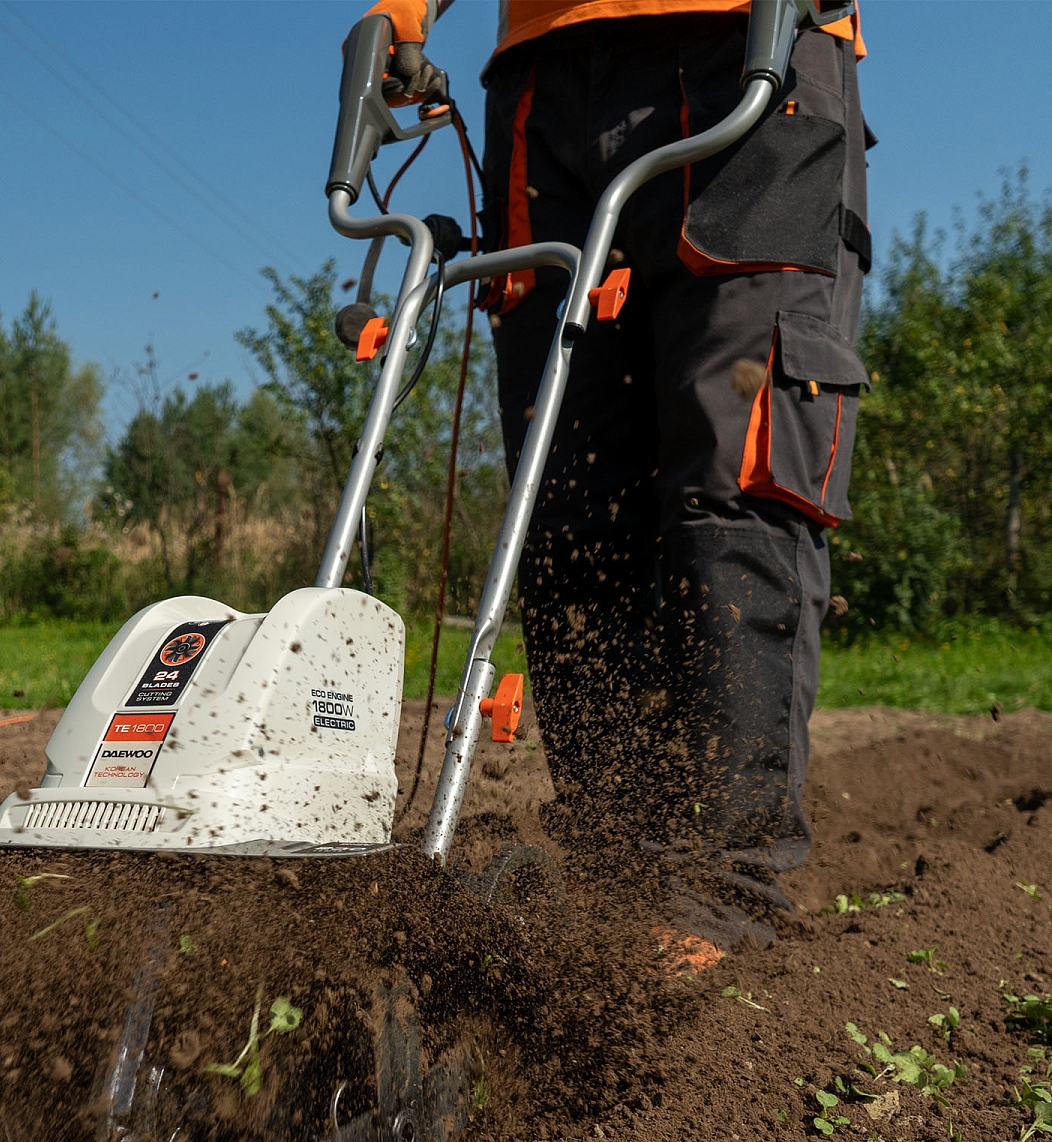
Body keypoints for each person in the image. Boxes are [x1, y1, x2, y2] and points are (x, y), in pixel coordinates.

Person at [362, 0, 872, 962]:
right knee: (567, 506)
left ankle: (723, 891)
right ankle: (616, 879)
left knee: (736, 470)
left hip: (748, 50)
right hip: (545, 82)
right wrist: (399, 12)